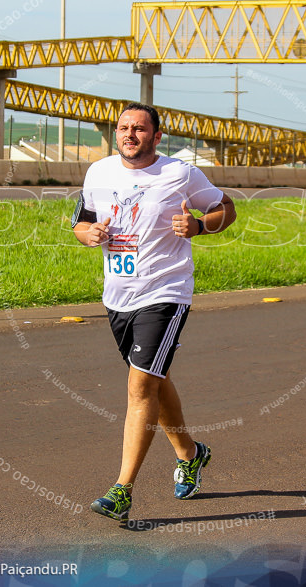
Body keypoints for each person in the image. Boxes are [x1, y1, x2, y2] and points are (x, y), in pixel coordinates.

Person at [72, 102, 237, 521]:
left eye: (140, 129)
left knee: (139, 386)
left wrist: (200, 226)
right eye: (124, 128)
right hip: (118, 296)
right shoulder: (99, 173)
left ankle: (122, 490)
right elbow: (81, 221)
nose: (130, 135)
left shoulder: (179, 173)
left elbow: (226, 209)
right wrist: (86, 234)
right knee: (154, 382)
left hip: (165, 292)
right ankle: (191, 453)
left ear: (157, 136)